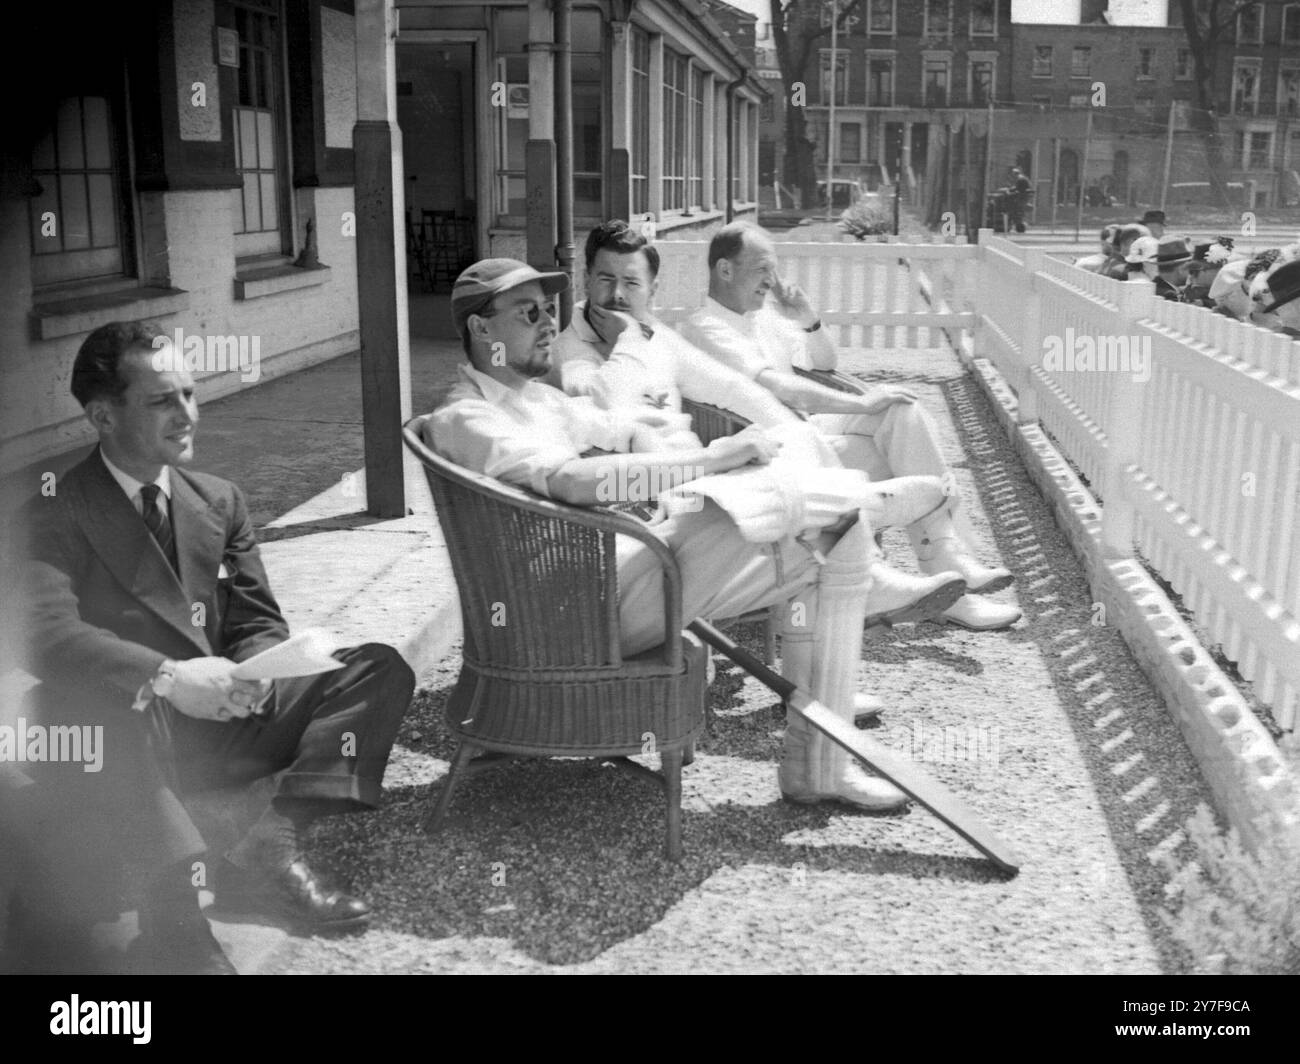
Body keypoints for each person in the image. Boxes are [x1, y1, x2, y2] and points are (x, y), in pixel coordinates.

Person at [427, 258, 925, 813]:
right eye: (528, 313)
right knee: (732, 510)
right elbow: (569, 481)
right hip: (571, 617)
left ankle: (818, 768)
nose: (548, 323)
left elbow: (617, 426)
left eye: (548, 310)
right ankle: (860, 502)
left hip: (609, 575)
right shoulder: (468, 419)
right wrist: (707, 460)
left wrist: (655, 441)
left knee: (826, 554)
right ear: (480, 327)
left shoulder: (535, 400)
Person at [7, 321, 415, 974]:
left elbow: (256, 617)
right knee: (89, 705)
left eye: (191, 395)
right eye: (162, 400)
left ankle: (266, 848)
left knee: (376, 669)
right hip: (135, 724)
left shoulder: (217, 500)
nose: (186, 415)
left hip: (225, 712)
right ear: (102, 415)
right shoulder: (53, 512)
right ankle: (172, 917)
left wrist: (259, 671)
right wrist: (169, 676)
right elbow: (47, 637)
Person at [548, 220, 968, 632]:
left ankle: (859, 547)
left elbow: (733, 390)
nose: (617, 295)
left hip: (706, 475)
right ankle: (863, 522)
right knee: (798, 513)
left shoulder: (659, 338)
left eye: (631, 283)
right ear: (585, 280)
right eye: (605, 280)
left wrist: (785, 435)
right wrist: (629, 340)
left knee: (791, 439)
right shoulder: (570, 350)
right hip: (656, 501)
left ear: (653, 290)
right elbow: (606, 402)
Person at [677, 222, 1022, 632]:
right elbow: (784, 388)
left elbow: (823, 364)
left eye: (773, 269)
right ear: (724, 270)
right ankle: (946, 579)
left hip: (809, 436)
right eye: (761, 269)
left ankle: (943, 562)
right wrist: (859, 402)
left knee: (903, 413)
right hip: (771, 458)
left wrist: (808, 321)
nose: (771, 281)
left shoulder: (763, 317)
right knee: (899, 451)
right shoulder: (704, 328)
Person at [1152, 236, 1196, 301]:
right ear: (1181, 269)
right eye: (1189, 267)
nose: (1191, 273)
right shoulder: (1168, 296)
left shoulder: (1155, 289)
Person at [1008, 167, 1032, 233]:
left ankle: (1018, 226)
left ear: (1015, 174)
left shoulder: (1020, 179)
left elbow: (1017, 188)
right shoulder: (1023, 178)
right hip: (1024, 198)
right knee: (1018, 213)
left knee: (1016, 212)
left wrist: (1009, 190)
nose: (1012, 177)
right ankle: (1018, 225)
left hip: (1021, 198)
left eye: (1013, 175)